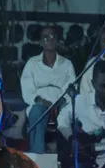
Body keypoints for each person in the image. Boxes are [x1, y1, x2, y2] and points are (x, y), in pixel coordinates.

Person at [21, 25, 76, 153]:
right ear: (41, 42)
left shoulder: (67, 64)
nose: (50, 40)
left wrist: (62, 101)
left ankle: (66, 155)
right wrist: (42, 102)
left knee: (70, 114)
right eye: (46, 37)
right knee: (37, 113)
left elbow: (71, 87)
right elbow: (27, 89)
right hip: (39, 103)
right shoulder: (32, 63)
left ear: (57, 40)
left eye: (52, 37)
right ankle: (38, 156)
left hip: (61, 102)